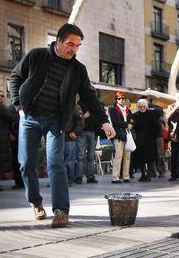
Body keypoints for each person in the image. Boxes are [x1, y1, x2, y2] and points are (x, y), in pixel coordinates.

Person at [10, 23, 115, 228]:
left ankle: (61, 210)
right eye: (70, 44)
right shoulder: (37, 56)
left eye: (78, 46)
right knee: (26, 163)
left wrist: (104, 121)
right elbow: (15, 77)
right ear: (58, 41)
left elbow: (90, 98)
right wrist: (19, 107)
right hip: (29, 117)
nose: (73, 49)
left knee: (56, 163)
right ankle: (36, 203)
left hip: (55, 121)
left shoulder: (78, 70)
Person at [108, 91, 133, 183]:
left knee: (127, 157)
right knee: (118, 156)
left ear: (125, 99)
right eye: (119, 98)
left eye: (122, 98)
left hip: (128, 135)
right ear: (116, 100)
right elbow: (115, 122)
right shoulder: (113, 110)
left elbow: (132, 120)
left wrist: (131, 124)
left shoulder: (128, 110)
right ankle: (115, 177)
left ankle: (126, 176)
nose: (121, 100)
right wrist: (127, 125)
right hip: (118, 135)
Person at [74, 99, 101, 185]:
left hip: (93, 131)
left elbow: (99, 117)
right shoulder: (79, 104)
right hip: (82, 131)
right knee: (80, 156)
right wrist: (83, 117)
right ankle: (79, 177)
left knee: (91, 156)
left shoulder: (95, 103)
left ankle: (90, 176)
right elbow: (75, 117)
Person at [131, 99, 159, 182]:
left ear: (146, 107)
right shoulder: (135, 115)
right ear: (138, 107)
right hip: (140, 140)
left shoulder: (151, 114)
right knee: (141, 159)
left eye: (144, 106)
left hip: (150, 140)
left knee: (150, 159)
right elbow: (134, 127)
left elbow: (157, 126)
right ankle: (143, 174)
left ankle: (149, 175)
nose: (142, 108)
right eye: (140, 107)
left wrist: (153, 135)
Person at [64, 105, 83, 186]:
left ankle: (69, 179)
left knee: (69, 160)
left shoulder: (75, 107)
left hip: (69, 136)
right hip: (57, 136)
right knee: (56, 160)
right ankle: (57, 180)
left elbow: (80, 121)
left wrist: (76, 132)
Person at [8, 104, 24, 189]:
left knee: (18, 160)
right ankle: (20, 182)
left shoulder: (11, 108)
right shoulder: (11, 108)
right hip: (16, 137)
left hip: (18, 136)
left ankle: (20, 182)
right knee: (17, 160)